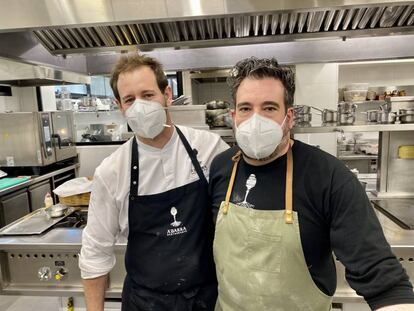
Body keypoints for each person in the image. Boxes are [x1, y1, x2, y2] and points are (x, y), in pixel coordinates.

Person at [208, 57, 414, 311]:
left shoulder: (329, 177)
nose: (255, 120)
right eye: (245, 108)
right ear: (233, 116)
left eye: (270, 108)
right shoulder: (221, 167)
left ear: (290, 116)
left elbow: (381, 276)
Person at [79, 53, 229, 311]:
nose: (139, 106)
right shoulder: (112, 171)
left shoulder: (209, 148)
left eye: (147, 95)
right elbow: (95, 252)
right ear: (120, 106)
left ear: (167, 95)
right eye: (129, 99)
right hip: (145, 302)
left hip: (207, 298)